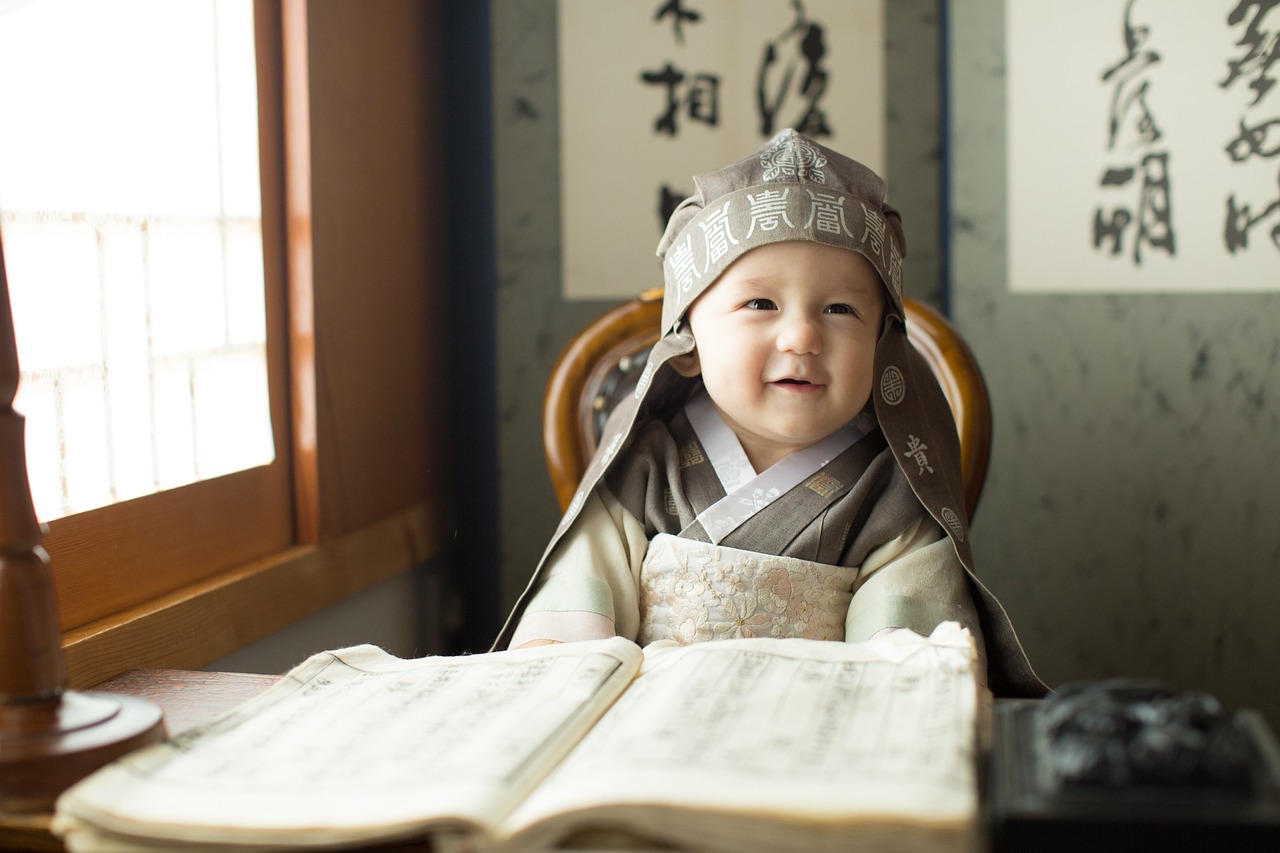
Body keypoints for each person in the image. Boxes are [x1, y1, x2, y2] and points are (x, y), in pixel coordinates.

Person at [495, 129, 1045, 698]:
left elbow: (903, 666)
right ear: (687, 338)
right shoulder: (645, 462)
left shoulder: (892, 490)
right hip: (650, 736)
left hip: (814, 738)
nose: (802, 336)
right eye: (760, 303)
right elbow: (575, 618)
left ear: (882, 344)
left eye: (840, 308)